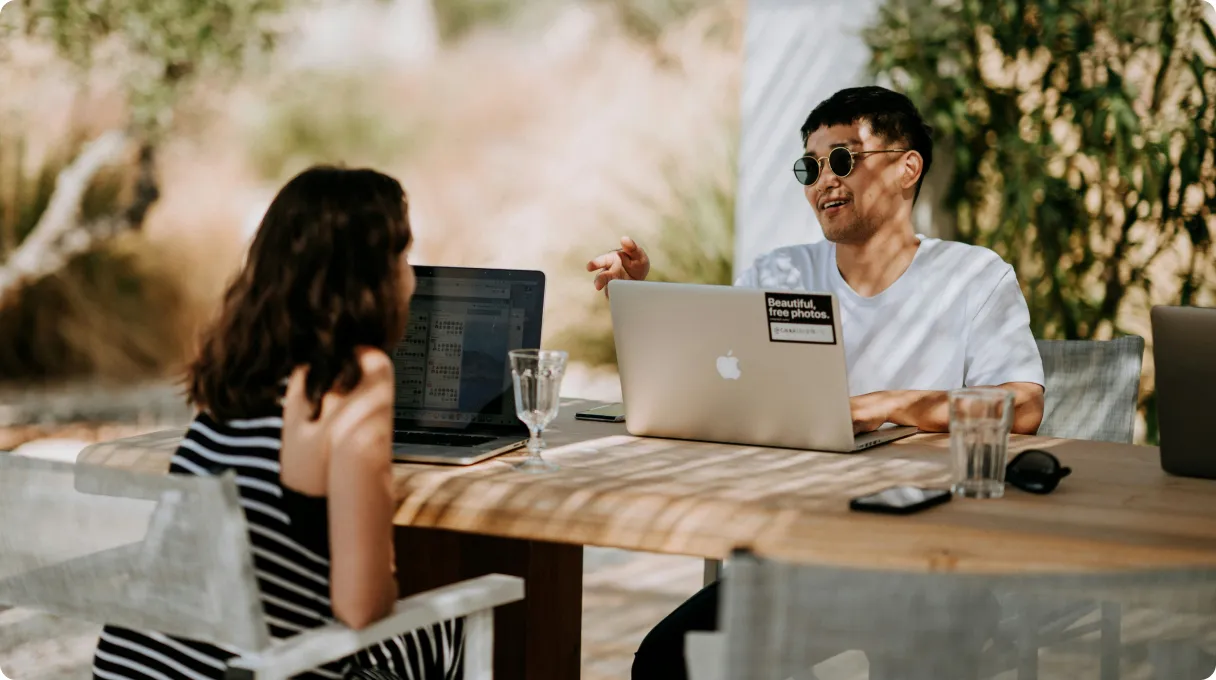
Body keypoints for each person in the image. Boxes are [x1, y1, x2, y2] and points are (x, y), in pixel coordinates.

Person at [586, 86, 1046, 679]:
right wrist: (644, 298)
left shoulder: (974, 275)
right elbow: (710, 379)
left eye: (844, 159)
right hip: (801, 556)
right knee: (666, 662)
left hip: (937, 561)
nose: (824, 179)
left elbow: (1024, 406)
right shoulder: (781, 272)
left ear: (908, 168)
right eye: (811, 166)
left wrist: (888, 404)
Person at [92, 166, 463, 680]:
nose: (411, 276)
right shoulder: (354, 377)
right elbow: (361, 607)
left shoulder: (236, 365)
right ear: (368, 278)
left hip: (128, 670)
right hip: (251, 672)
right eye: (402, 256)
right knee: (443, 627)